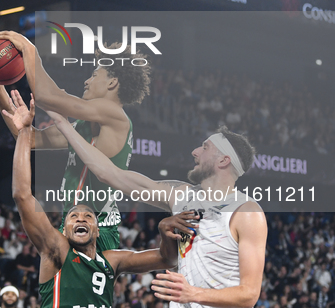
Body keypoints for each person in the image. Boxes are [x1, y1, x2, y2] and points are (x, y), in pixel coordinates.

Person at [49, 110, 267, 308]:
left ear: (223, 160)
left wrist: (193, 293)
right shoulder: (182, 195)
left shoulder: (246, 212)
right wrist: (63, 125)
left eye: (205, 147)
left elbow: (248, 295)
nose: (195, 152)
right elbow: (109, 174)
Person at [4, 92, 197, 308]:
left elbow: (167, 259)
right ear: (64, 230)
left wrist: (164, 229)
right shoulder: (55, 250)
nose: (81, 219)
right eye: (73, 216)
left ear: (97, 230)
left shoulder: (111, 261)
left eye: (88, 216)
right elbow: (22, 194)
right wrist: (23, 133)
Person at [0, 31, 151, 252]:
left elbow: (47, 97)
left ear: (112, 82)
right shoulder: (81, 126)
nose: (87, 80)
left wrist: (29, 50)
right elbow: (29, 137)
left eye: (94, 74)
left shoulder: (115, 113)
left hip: (97, 229)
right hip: (74, 224)